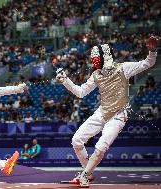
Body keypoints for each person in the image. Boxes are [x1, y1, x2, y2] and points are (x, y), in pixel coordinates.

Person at [56, 36, 158, 188]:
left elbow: (148, 63)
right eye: (93, 58)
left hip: (118, 115)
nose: (94, 61)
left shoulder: (123, 68)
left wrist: (152, 51)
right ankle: (88, 174)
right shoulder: (96, 75)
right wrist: (66, 80)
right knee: (76, 140)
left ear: (105, 57)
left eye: (97, 58)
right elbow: (80, 92)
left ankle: (84, 175)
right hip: (102, 112)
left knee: (101, 147)